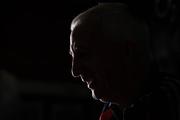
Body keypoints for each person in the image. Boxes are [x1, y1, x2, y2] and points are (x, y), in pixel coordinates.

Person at [69, 3, 180, 120]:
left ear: (126, 52)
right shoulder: (113, 109)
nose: (75, 71)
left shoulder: (168, 102)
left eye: (83, 54)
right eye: (73, 56)